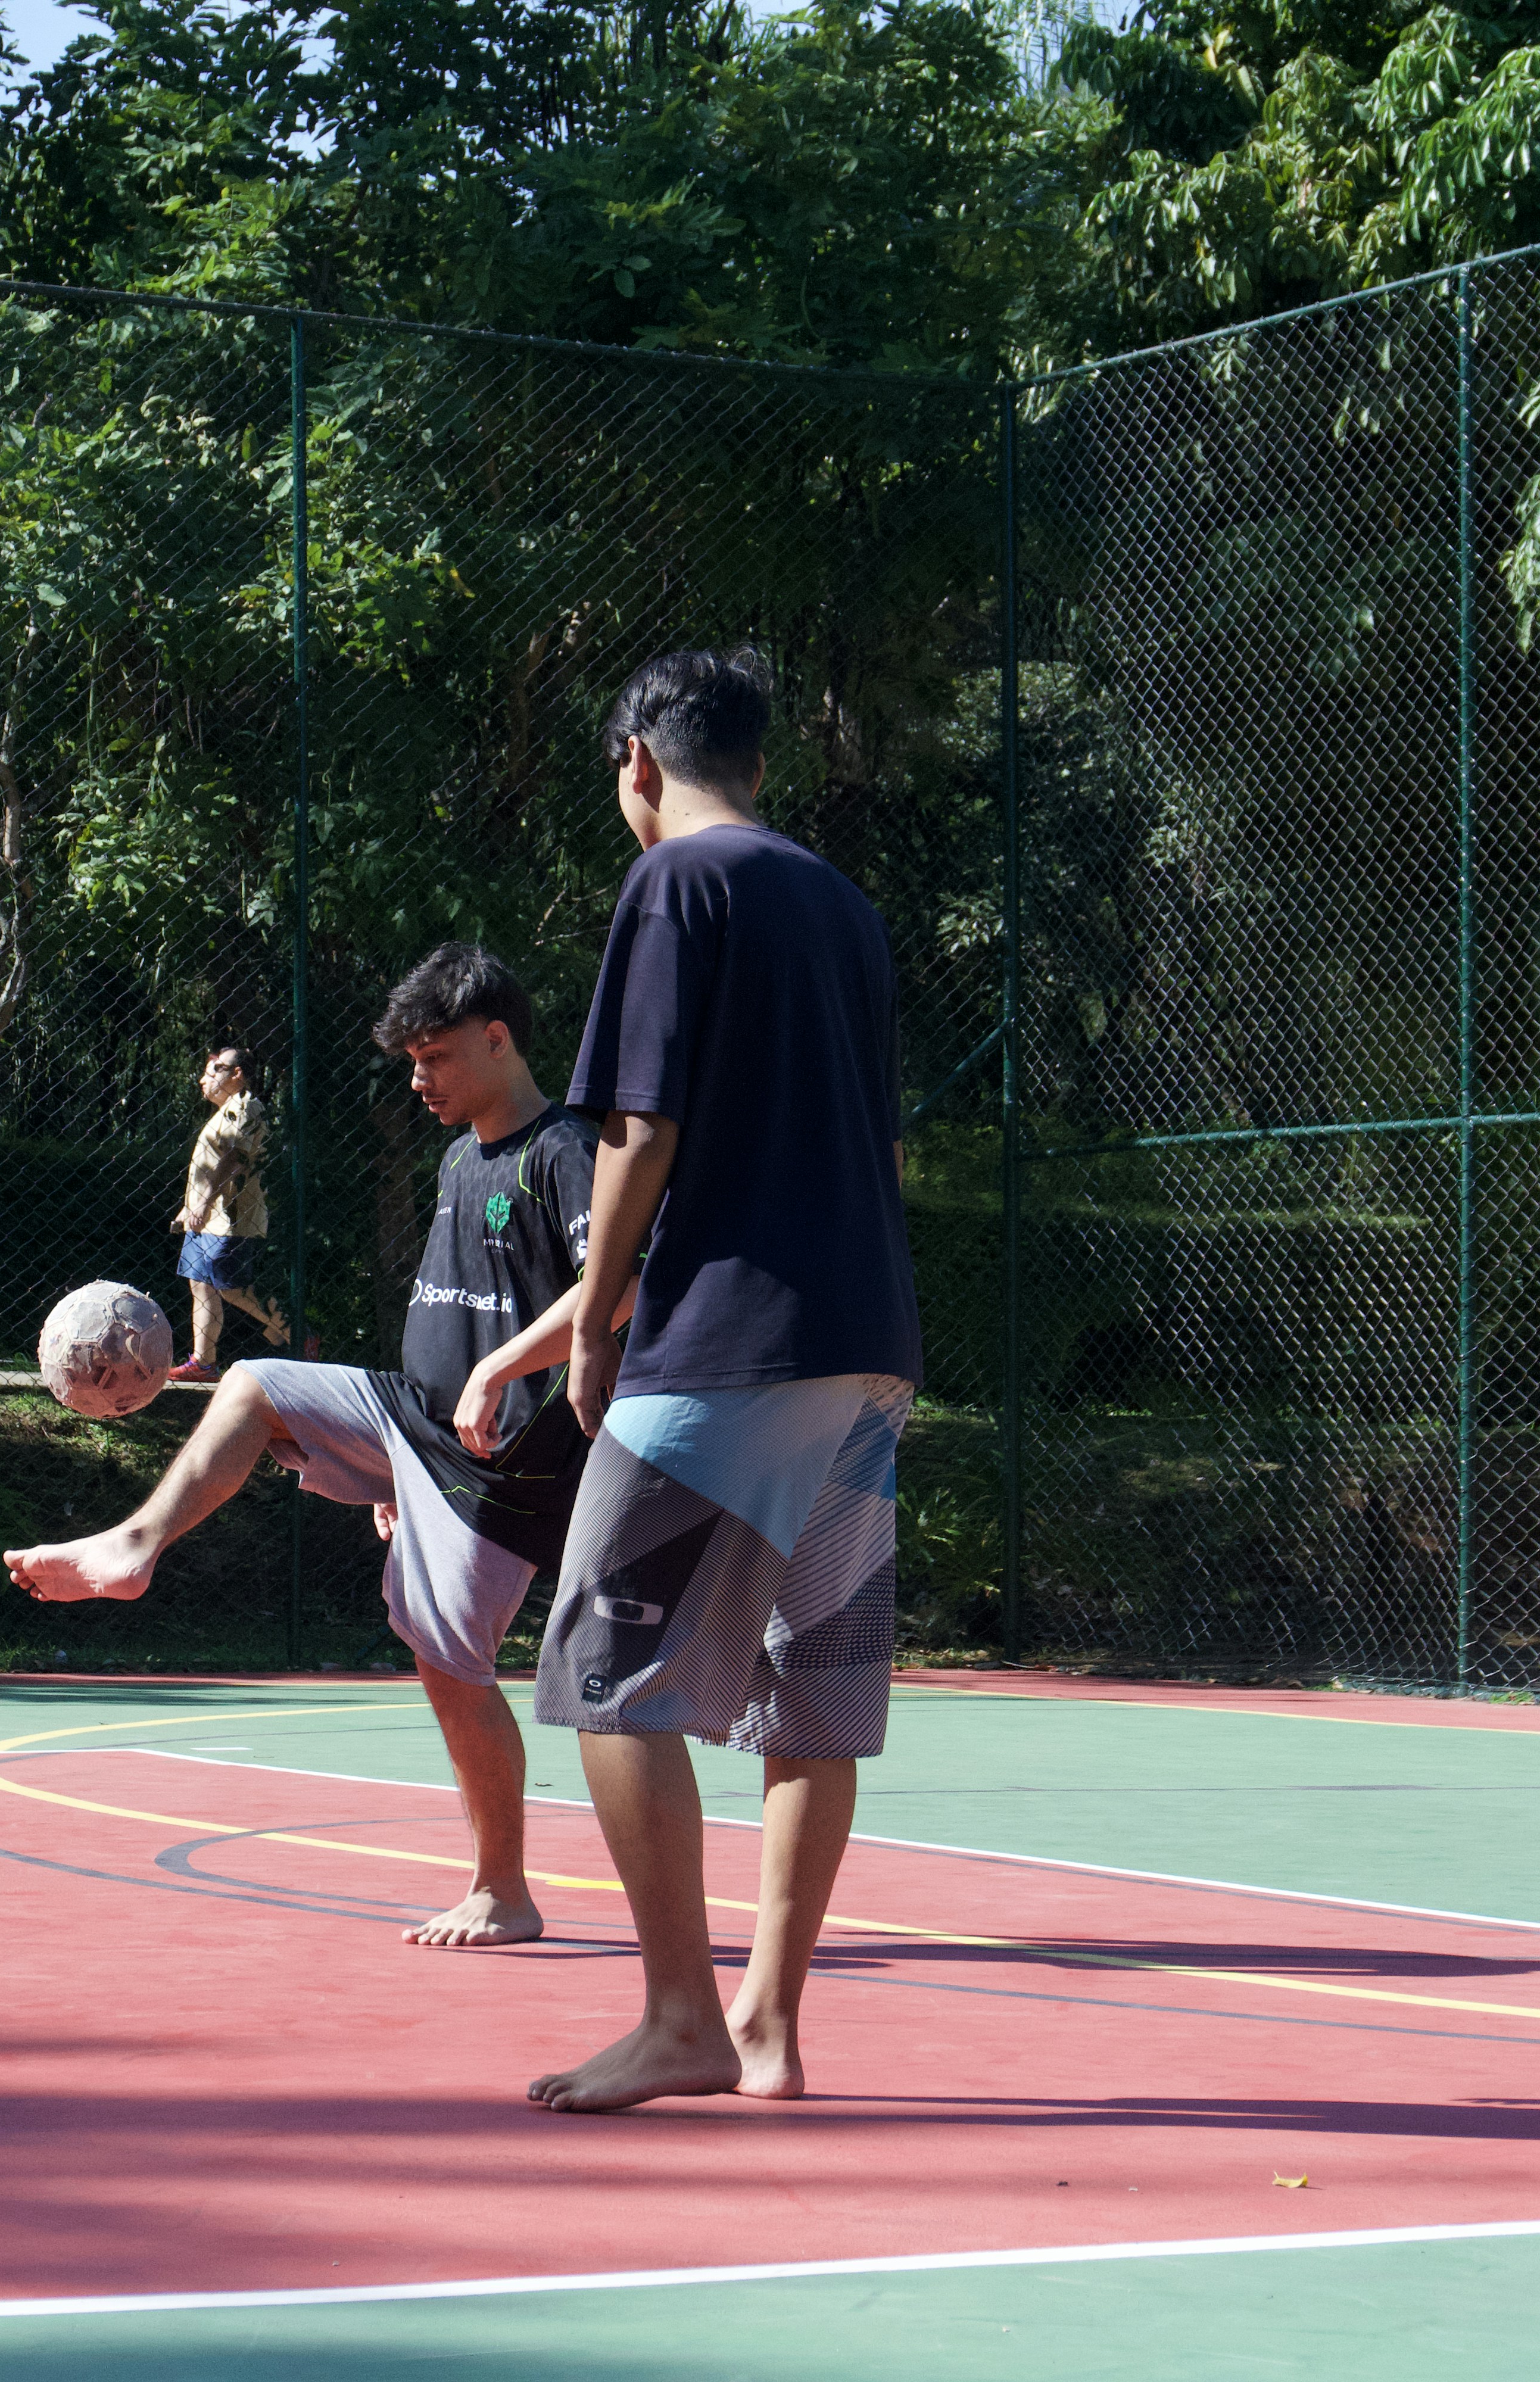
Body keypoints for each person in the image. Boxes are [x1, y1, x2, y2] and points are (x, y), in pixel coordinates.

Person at [5, 944, 621, 1948]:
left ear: (499, 1039)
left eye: (435, 1057)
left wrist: (498, 1373)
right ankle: (133, 1547)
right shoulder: (463, 1154)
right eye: (410, 1062)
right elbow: (447, 1317)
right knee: (251, 1382)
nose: (419, 1080)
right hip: (421, 1427)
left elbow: (620, 1290)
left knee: (450, 1662)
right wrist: (394, 1465)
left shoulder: (562, 1150)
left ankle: (503, 1889)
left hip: (504, 1456)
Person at [522, 645, 919, 2115]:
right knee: (810, 1698)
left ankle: (681, 2016)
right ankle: (767, 2022)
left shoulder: (675, 886)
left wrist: (592, 1313)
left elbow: (640, 1126)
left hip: (730, 1345)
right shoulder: (847, 906)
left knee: (605, 1672)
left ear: (639, 758)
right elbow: (881, 1148)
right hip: (866, 1343)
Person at [172, 1046, 289, 1379]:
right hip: (206, 1218)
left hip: (232, 1219)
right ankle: (203, 1363)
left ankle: (297, 1333)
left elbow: (236, 1160)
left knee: (231, 1288)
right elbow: (207, 1166)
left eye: (215, 1071)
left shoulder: (247, 1107)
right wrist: (189, 1206)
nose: (204, 1080)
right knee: (201, 1285)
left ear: (237, 1075)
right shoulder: (223, 1112)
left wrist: (205, 1202)